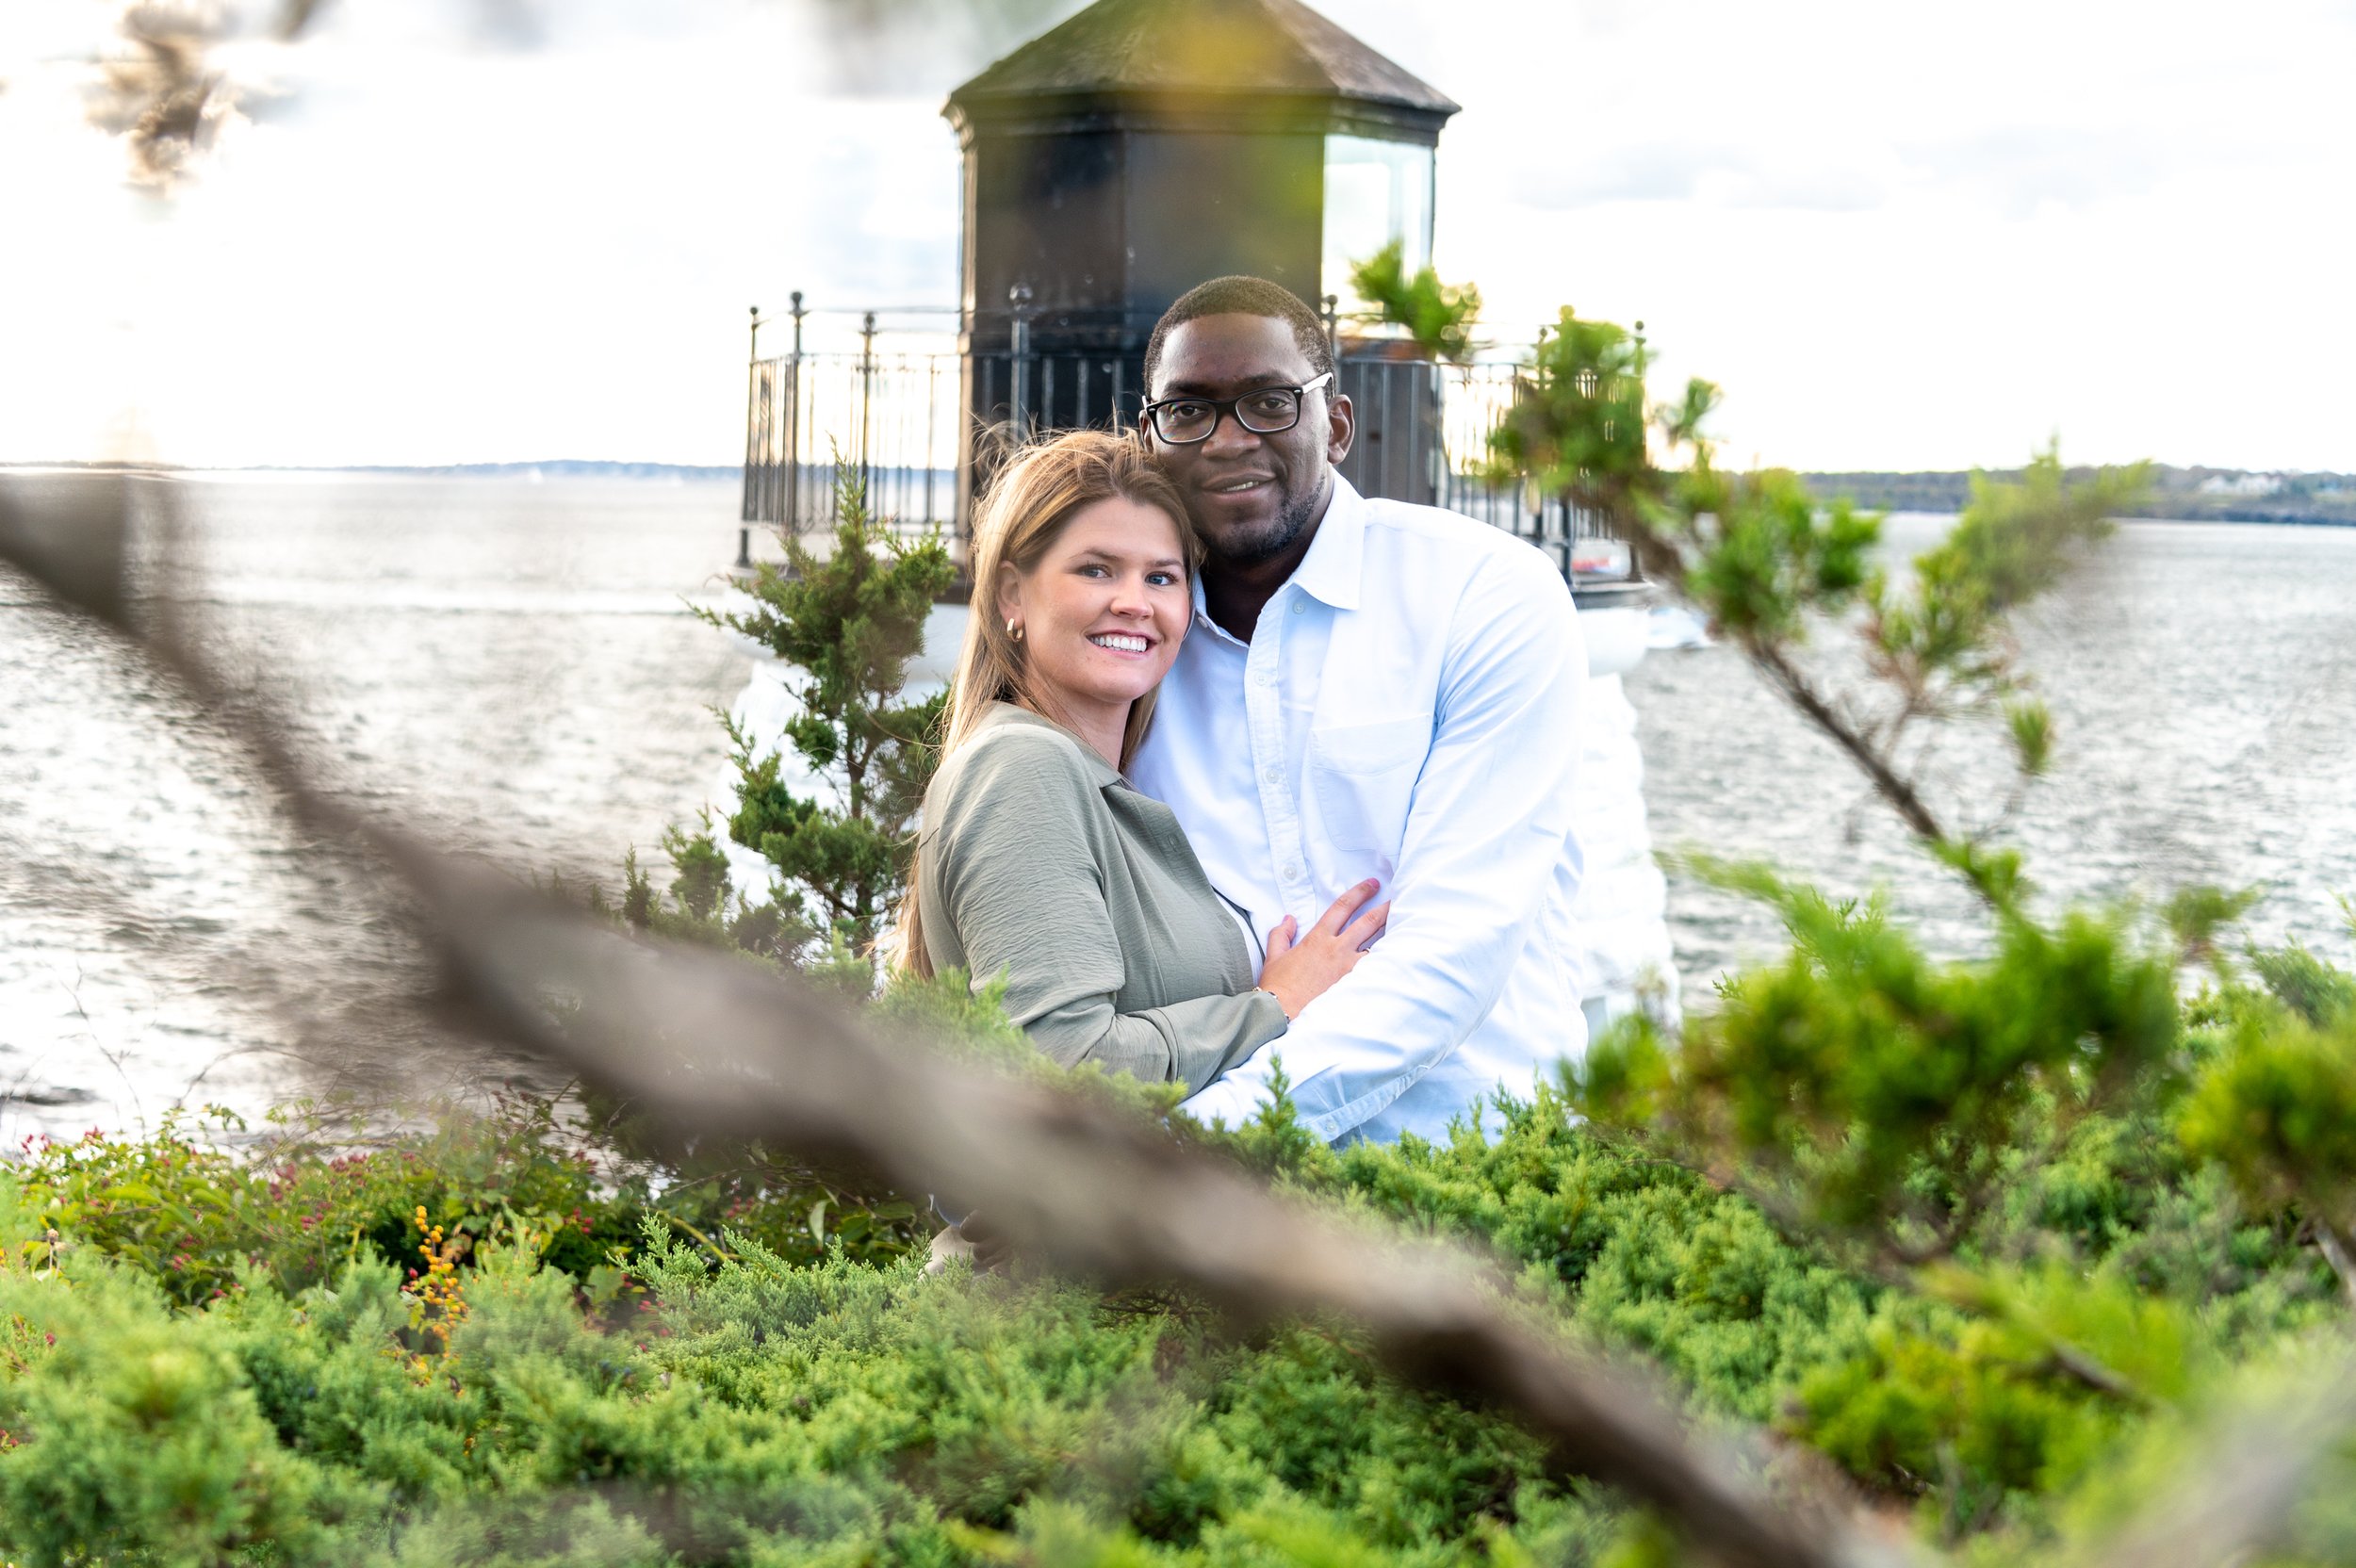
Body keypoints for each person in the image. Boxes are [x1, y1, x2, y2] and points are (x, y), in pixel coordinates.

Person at [1125, 275, 1589, 1146]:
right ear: (1148, 438)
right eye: (1188, 411)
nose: (1228, 440)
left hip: (1474, 1162)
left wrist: (1181, 1151)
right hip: (1212, 1220)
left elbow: (1451, 953)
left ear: (1336, 425)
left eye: (1269, 402)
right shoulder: (1123, 654)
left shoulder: (1485, 595)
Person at [901, 428, 1388, 1090]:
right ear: (1013, 595)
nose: (1134, 601)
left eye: (1162, 576)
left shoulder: (1097, 783)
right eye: (1096, 569)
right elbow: (1061, 1063)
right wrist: (1273, 1007)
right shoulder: (1022, 771)